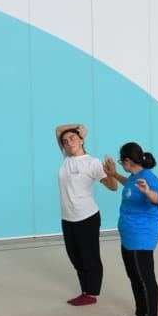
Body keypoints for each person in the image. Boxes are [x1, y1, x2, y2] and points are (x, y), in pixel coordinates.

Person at [103, 143, 158, 316]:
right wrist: (113, 174)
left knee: (145, 276)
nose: (121, 164)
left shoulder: (149, 178)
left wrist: (147, 192)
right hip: (129, 233)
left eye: (121, 162)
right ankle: (140, 312)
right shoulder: (134, 176)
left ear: (127, 161)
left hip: (142, 234)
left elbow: (157, 198)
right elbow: (129, 184)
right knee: (133, 275)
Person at [55, 123, 119, 306]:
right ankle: (85, 290)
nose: (68, 142)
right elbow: (58, 130)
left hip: (87, 217)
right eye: (65, 141)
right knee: (74, 256)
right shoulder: (66, 158)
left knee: (89, 256)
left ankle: (91, 294)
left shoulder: (92, 162)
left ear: (81, 140)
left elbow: (113, 187)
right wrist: (77, 126)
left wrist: (112, 172)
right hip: (67, 218)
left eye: (73, 138)